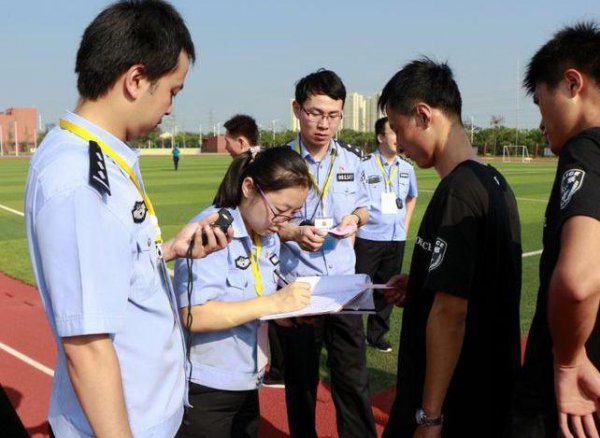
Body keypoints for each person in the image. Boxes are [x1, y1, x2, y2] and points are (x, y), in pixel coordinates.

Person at [24, 2, 232, 436]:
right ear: (136, 80)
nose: (172, 106)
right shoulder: (80, 179)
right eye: (173, 90)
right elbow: (88, 346)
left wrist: (168, 250)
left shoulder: (98, 155)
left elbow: (110, 265)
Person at [379, 58, 522, 437]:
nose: (398, 142)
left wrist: (430, 417)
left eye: (398, 128)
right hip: (485, 394)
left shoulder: (459, 191)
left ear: (423, 115)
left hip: (456, 403)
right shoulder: (492, 179)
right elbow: (476, 281)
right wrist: (423, 281)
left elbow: (450, 314)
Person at [173, 146, 314, 438]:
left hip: (247, 380)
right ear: (248, 187)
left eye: (293, 214)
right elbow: (194, 315)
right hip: (207, 387)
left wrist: (286, 314)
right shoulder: (212, 231)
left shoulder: (266, 233)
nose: (284, 222)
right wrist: (272, 304)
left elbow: (253, 299)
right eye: (280, 210)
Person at [509, 22, 600, 438]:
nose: (543, 122)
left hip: (575, 389)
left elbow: (578, 281)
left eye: (542, 103)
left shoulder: (586, 148)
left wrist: (567, 360)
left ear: (572, 83)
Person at [275, 68, 376, 438]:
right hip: (300, 288)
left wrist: (354, 218)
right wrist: (293, 232)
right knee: (301, 382)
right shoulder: (279, 162)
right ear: (297, 109)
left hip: (345, 287)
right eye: (315, 113)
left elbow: (366, 208)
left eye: (332, 115)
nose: (323, 124)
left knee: (353, 378)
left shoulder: (351, 160)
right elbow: (262, 225)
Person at [356, 117, 418, 353]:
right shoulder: (364, 165)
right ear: (381, 137)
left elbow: (412, 197)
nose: (398, 139)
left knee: (387, 288)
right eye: (394, 133)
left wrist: (406, 223)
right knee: (360, 287)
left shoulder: (407, 168)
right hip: (368, 236)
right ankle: (354, 335)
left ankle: (377, 334)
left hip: (395, 238)